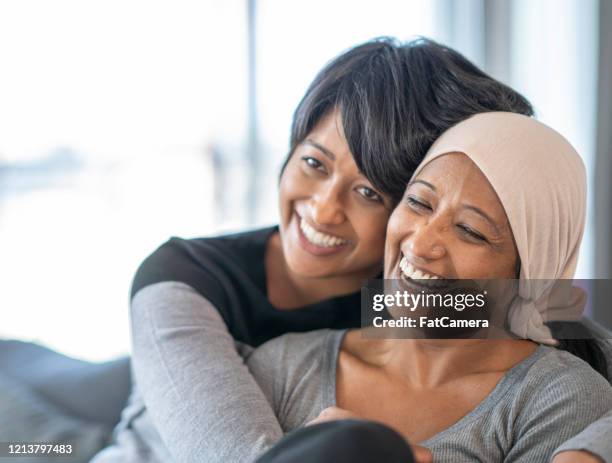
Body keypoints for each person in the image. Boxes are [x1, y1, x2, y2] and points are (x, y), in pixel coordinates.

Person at [90, 39, 611, 463]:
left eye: (369, 193)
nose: (322, 210)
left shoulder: (418, 295)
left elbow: (555, 318)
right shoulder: (183, 280)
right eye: (314, 162)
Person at [247, 112, 612, 462]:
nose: (421, 244)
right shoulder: (285, 367)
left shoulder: (559, 399)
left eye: (470, 231)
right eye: (419, 202)